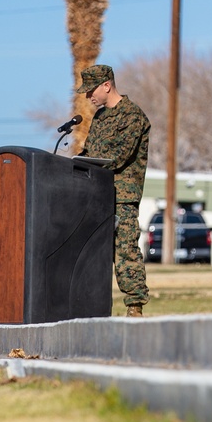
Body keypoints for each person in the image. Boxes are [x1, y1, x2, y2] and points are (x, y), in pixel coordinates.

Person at [77, 64, 151, 317]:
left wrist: (90, 161)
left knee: (125, 251)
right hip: (96, 195)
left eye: (91, 90)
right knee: (93, 252)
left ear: (107, 85)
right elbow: (90, 152)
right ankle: (93, 304)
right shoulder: (100, 117)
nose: (88, 96)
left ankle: (134, 306)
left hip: (122, 196)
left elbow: (119, 156)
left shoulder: (132, 115)